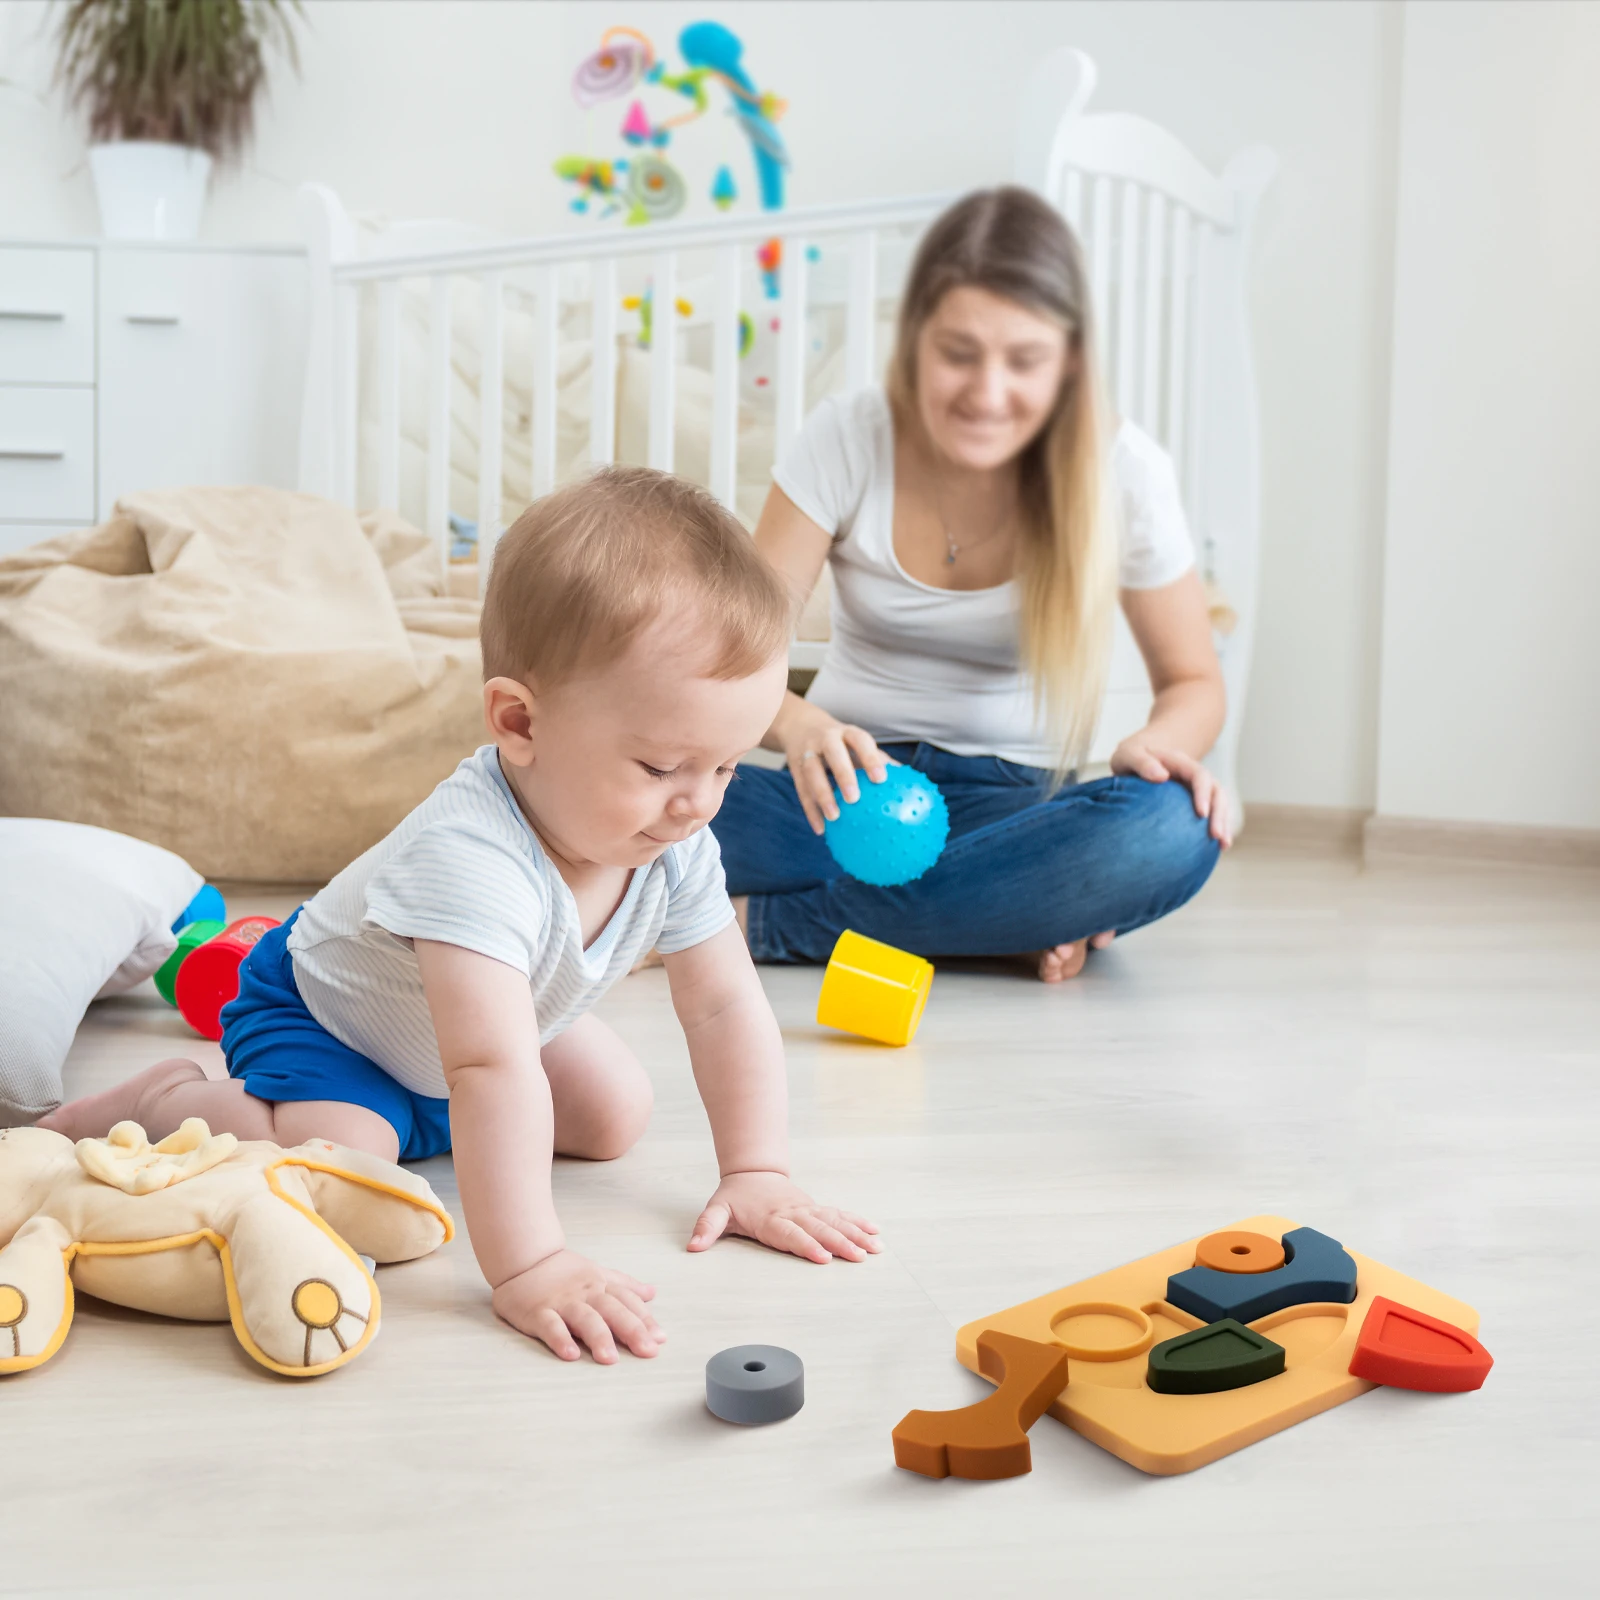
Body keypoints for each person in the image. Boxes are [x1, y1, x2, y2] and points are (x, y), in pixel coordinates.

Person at [42, 468, 879, 1364]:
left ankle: (425, 1124)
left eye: (724, 767)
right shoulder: (471, 858)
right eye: (663, 766)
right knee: (348, 1158)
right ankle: (170, 1096)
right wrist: (530, 1264)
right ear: (519, 722)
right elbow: (487, 1066)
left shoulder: (670, 842)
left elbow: (722, 1007)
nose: (699, 805)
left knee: (615, 1115)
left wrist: (756, 1172)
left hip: (487, 1026)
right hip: (334, 1022)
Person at [713, 186, 1229, 982]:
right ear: (915, 339)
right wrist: (800, 725)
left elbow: (1195, 681)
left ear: (1069, 362)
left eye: (1023, 361)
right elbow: (732, 659)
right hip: (841, 795)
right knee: (647, 801)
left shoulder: (1125, 472)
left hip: (1015, 812)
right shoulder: (848, 436)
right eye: (959, 352)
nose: (987, 394)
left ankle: (767, 926)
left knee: (1171, 828)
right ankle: (988, 919)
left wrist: (1157, 747)